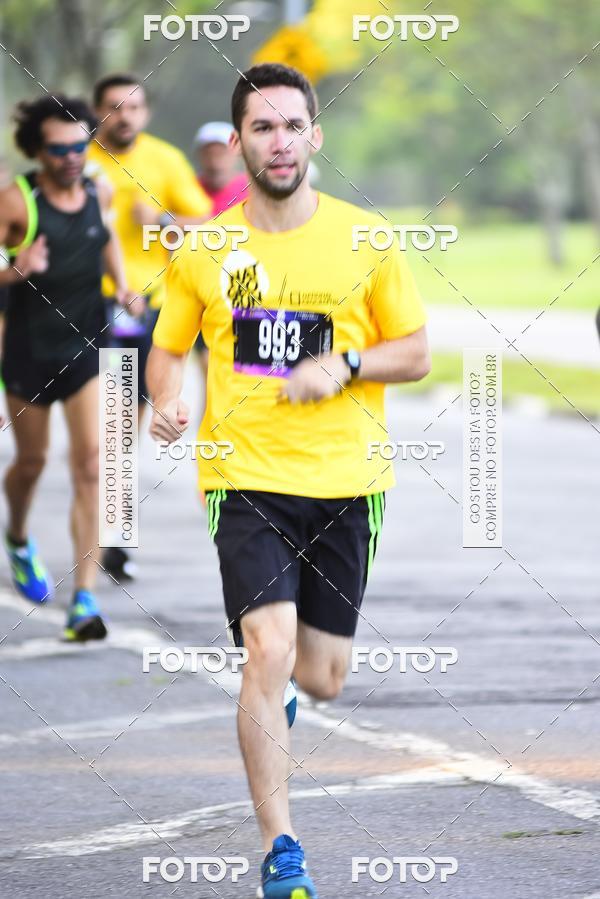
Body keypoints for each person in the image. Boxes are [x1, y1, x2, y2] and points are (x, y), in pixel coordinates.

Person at [147, 63, 430, 899]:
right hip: (244, 478)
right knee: (265, 652)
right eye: (260, 128)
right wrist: (165, 397)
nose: (278, 141)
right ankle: (284, 851)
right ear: (237, 143)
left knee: (320, 675)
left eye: (291, 125)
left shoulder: (367, 239)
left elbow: (414, 353)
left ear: (315, 135)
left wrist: (341, 364)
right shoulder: (206, 249)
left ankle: (281, 704)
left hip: (347, 481)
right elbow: (167, 351)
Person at [0, 95, 138, 640]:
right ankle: (16, 537)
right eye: (60, 149)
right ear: (38, 150)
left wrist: (122, 284)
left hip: (86, 345)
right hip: (29, 354)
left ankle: (84, 600)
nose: (73, 157)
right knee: (31, 460)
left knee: (92, 465)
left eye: (81, 145)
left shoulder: (98, 188)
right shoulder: (16, 201)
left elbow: (106, 238)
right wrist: (15, 268)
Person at [89, 73, 212, 580]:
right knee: (94, 435)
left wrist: (161, 218)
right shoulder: (76, 160)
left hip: (145, 310)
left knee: (120, 426)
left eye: (135, 107)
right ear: (96, 111)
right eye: (115, 107)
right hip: (80, 305)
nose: (125, 116)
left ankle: (114, 536)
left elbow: (209, 225)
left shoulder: (163, 160)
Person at [192, 121, 249, 402]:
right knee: (209, 364)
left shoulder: (251, 187)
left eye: (222, 151)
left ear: (235, 152)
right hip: (198, 290)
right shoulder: (187, 188)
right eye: (209, 152)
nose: (216, 159)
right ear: (200, 155)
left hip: (242, 289)